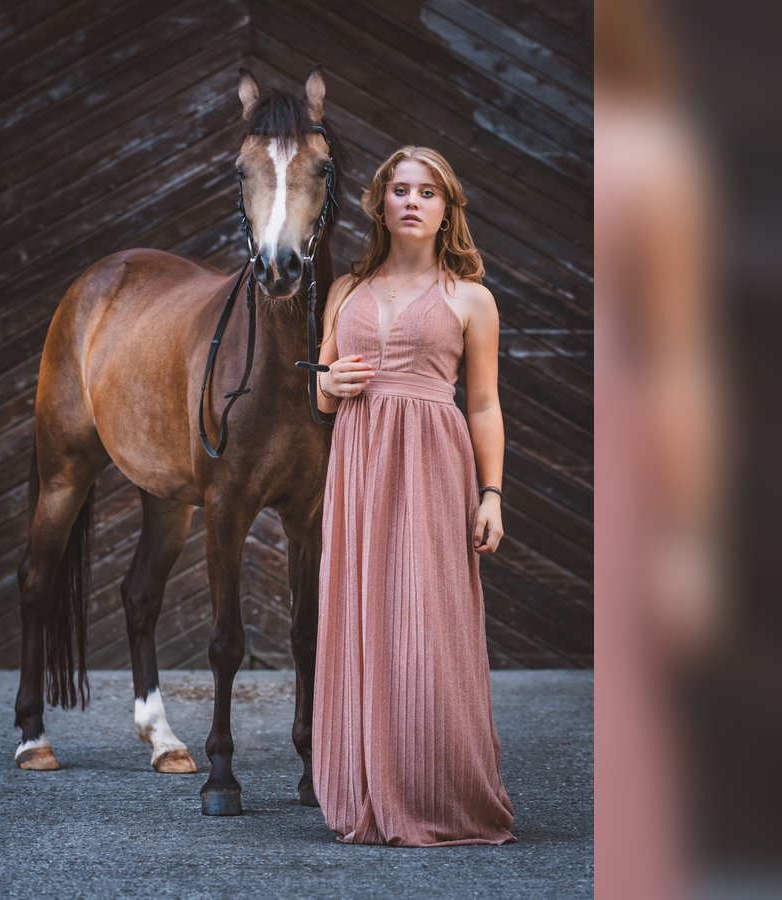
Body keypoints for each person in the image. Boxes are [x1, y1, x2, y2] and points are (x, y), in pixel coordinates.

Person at [311, 146, 517, 846]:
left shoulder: (471, 298)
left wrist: (491, 493)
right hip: (361, 460)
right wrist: (326, 385)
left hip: (433, 459)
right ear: (380, 204)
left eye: (427, 192)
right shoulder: (344, 290)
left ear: (445, 209)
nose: (411, 201)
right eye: (399, 189)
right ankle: (366, 779)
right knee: (361, 606)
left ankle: (439, 787)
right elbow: (323, 383)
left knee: (429, 611)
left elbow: (484, 403)